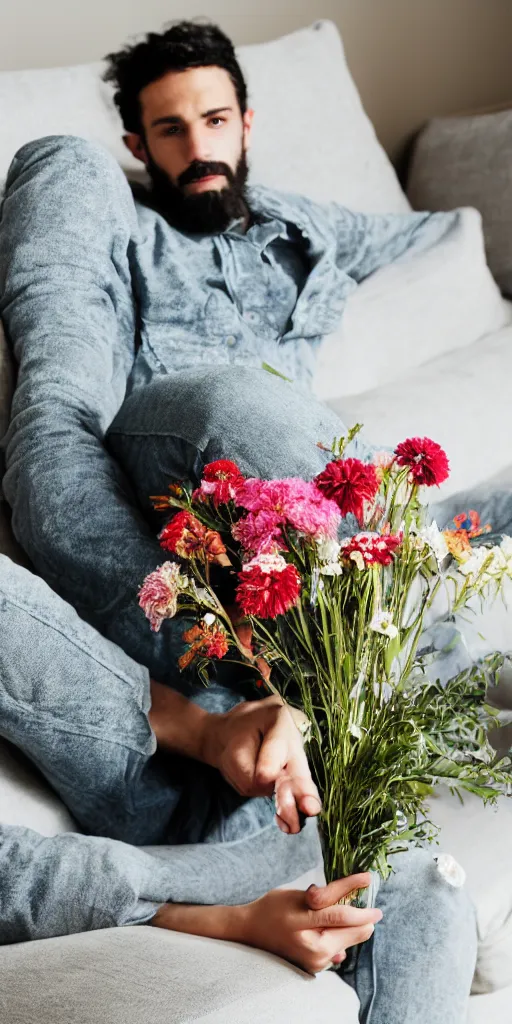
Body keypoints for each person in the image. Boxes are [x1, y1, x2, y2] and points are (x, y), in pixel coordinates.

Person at [0, 19, 481, 1023]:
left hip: (286, 619)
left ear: (248, 121)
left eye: (215, 119)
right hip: (161, 461)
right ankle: (394, 669)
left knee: (430, 894)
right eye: (168, 130)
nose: (198, 146)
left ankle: (391, 676)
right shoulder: (117, 215)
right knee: (236, 405)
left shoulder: (303, 228)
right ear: (139, 144)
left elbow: (449, 226)